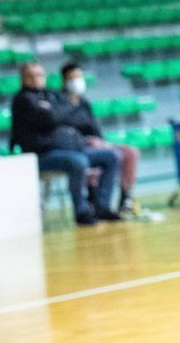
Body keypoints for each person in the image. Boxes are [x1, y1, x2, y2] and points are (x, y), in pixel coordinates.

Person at [10, 61, 121, 226]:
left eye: (39, 75)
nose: (35, 79)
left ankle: (101, 207)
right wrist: (58, 112)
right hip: (41, 154)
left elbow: (68, 116)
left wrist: (56, 111)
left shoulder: (50, 95)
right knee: (78, 161)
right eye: (30, 76)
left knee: (111, 156)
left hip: (67, 149)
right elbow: (52, 117)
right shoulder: (23, 100)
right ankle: (81, 211)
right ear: (22, 79)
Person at [57, 62, 140, 216]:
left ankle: (125, 197)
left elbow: (95, 128)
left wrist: (101, 141)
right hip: (78, 144)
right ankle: (95, 199)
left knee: (130, 152)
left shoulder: (84, 102)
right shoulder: (59, 101)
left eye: (79, 77)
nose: (77, 81)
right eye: (73, 78)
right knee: (100, 152)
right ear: (64, 80)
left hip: (95, 141)